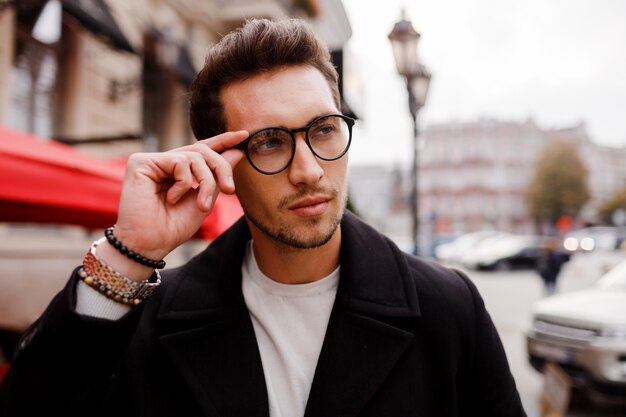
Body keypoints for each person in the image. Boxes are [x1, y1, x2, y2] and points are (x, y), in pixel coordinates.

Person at [0, 18, 526, 417]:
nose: (307, 171)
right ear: (217, 162)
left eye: (323, 129)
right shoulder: (158, 319)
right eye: (270, 142)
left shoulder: (448, 309)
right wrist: (128, 253)